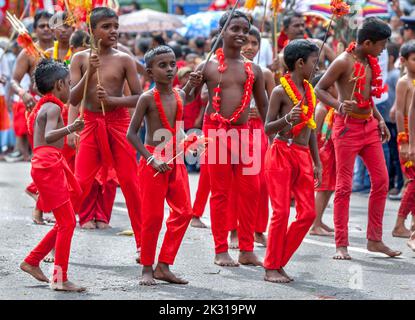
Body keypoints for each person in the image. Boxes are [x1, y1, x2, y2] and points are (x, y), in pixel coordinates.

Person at [315, 17, 401, 260]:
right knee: (344, 187)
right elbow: (319, 88)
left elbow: (366, 97)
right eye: (381, 44)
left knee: (382, 181)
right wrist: (339, 105)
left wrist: (380, 120)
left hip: (369, 126)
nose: (384, 49)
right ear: (367, 42)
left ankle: (375, 240)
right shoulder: (343, 61)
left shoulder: (369, 60)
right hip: (347, 129)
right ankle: (341, 244)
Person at [187, 10, 267, 267]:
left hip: (245, 135)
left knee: (251, 190)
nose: (241, 34)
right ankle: (221, 249)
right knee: (220, 193)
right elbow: (186, 99)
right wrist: (191, 84)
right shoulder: (207, 66)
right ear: (222, 32)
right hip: (216, 133)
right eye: (236, 29)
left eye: (245, 30)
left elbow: (264, 107)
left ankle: (246, 249)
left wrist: (272, 136)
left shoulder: (253, 69)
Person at [69, 7, 142, 257]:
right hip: (90, 123)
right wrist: (89, 71)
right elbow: (72, 97)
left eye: (115, 26)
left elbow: (138, 97)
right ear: (92, 31)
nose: (113, 31)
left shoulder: (125, 59)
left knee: (131, 183)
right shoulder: (79, 59)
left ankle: (145, 246)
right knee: (80, 183)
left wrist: (113, 100)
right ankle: (58, 242)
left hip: (118, 123)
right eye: (106, 26)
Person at [127, 46, 192, 285]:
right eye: (162, 65)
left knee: (185, 212)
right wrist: (151, 159)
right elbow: (131, 134)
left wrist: (188, 143)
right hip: (153, 160)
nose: (169, 69)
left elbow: (179, 127)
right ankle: (147, 266)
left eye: (172, 64)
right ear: (150, 72)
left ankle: (163, 265)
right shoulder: (146, 98)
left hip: (176, 159)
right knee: (152, 217)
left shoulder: (180, 95)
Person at [20, 59, 85, 292]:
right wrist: (72, 127)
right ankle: (59, 277)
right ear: (59, 85)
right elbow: (49, 136)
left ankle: (32, 261)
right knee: (67, 222)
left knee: (66, 217)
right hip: (48, 165)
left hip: (47, 163)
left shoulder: (44, 104)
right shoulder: (54, 107)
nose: (70, 87)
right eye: (69, 83)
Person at [263, 39, 322, 283]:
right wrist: (287, 118)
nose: (317, 67)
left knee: (308, 213)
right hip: (281, 153)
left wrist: (317, 162)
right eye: (314, 62)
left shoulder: (310, 90)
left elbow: (311, 129)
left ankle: (278, 261)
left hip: (302, 156)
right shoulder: (279, 91)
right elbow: (268, 128)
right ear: (300, 63)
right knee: (281, 212)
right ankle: (270, 267)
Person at [228, 25, 275, 248]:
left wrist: (268, 122)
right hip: (235, 129)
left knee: (260, 184)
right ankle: (234, 230)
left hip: (258, 130)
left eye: (254, 43)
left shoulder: (264, 73)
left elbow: (274, 106)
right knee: (236, 183)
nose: (249, 47)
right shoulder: (226, 68)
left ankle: (258, 229)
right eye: (245, 41)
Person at [10, 10, 54, 225]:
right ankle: (41, 202)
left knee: (58, 160)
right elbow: (14, 80)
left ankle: (42, 197)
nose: (46, 29)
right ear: (35, 29)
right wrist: (23, 93)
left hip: (64, 110)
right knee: (46, 159)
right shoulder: (28, 52)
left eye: (49, 25)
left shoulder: (62, 49)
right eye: (42, 26)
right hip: (39, 109)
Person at [392, 40, 415, 238]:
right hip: (407, 135)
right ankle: (399, 224)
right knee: (413, 181)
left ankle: (413, 224)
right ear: (404, 61)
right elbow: (399, 112)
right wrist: (405, 141)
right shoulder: (403, 82)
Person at [310, 72, 336, 237]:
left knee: (329, 188)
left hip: (330, 152)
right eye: (333, 85)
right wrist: (315, 159)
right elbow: (314, 134)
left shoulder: (330, 106)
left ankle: (319, 220)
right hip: (323, 153)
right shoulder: (320, 108)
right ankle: (315, 223)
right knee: (322, 188)